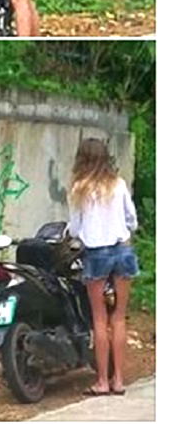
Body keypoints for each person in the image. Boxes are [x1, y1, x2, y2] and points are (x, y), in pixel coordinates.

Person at [65, 138, 139, 397]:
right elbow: (132, 219)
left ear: (81, 159)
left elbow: (74, 228)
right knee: (118, 317)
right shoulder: (118, 185)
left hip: (96, 255)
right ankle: (119, 380)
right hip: (122, 251)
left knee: (99, 319)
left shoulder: (79, 188)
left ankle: (102, 382)